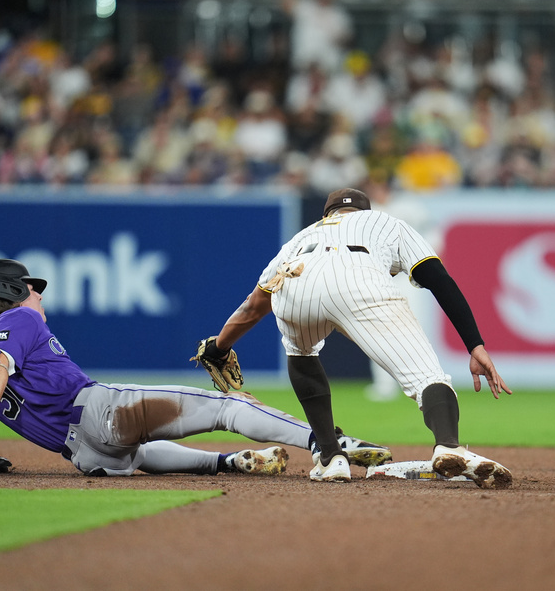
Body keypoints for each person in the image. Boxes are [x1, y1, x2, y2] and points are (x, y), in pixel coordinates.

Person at [0, 259, 391, 477]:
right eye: (32, 287)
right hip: (99, 411)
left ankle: (227, 463)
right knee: (227, 406)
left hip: (86, 457)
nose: (39, 295)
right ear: (12, 291)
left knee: (135, 453)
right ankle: (329, 442)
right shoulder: (21, 318)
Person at [201, 188, 513, 488]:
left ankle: (331, 457)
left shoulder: (301, 236)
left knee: (300, 351)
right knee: (427, 377)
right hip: (359, 278)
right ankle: (448, 447)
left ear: (328, 214)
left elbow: (253, 307)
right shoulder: (385, 222)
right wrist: (475, 344)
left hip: (296, 285)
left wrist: (219, 347)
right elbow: (439, 280)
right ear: (365, 212)